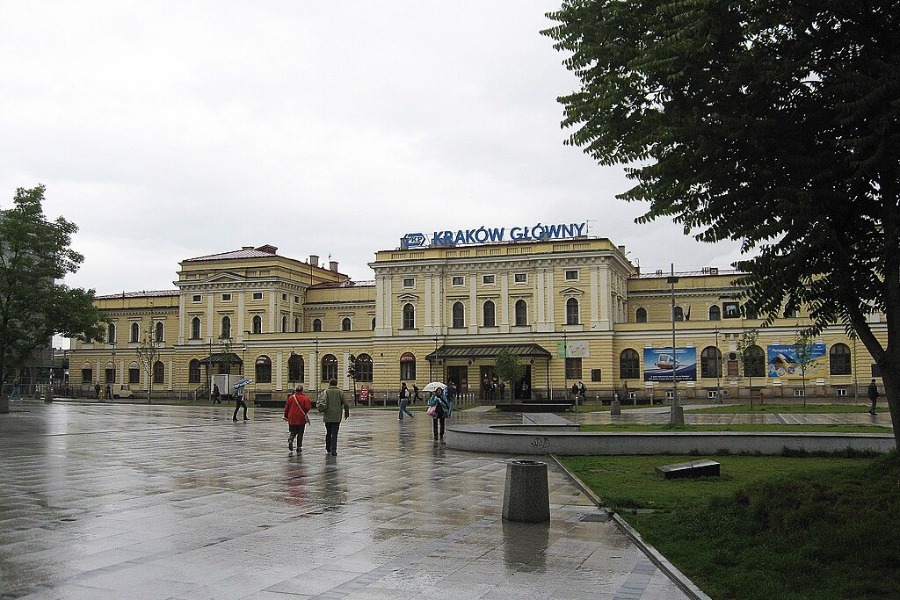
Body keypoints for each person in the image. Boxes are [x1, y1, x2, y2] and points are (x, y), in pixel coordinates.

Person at [320, 378, 350, 456]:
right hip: (336, 417)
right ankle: (334, 450)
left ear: (329, 384)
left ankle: (328, 448)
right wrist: (346, 413)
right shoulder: (340, 392)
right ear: (336, 384)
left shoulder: (325, 392)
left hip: (327, 416)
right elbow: (346, 404)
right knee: (334, 433)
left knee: (328, 432)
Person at [284, 385, 312, 452]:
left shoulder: (291, 398)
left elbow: (286, 408)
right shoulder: (305, 398)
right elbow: (307, 407)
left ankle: (291, 439)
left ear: (295, 390)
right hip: (301, 418)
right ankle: (299, 447)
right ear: (302, 391)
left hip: (292, 418)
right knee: (300, 433)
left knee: (293, 431)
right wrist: (304, 412)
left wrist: (286, 416)